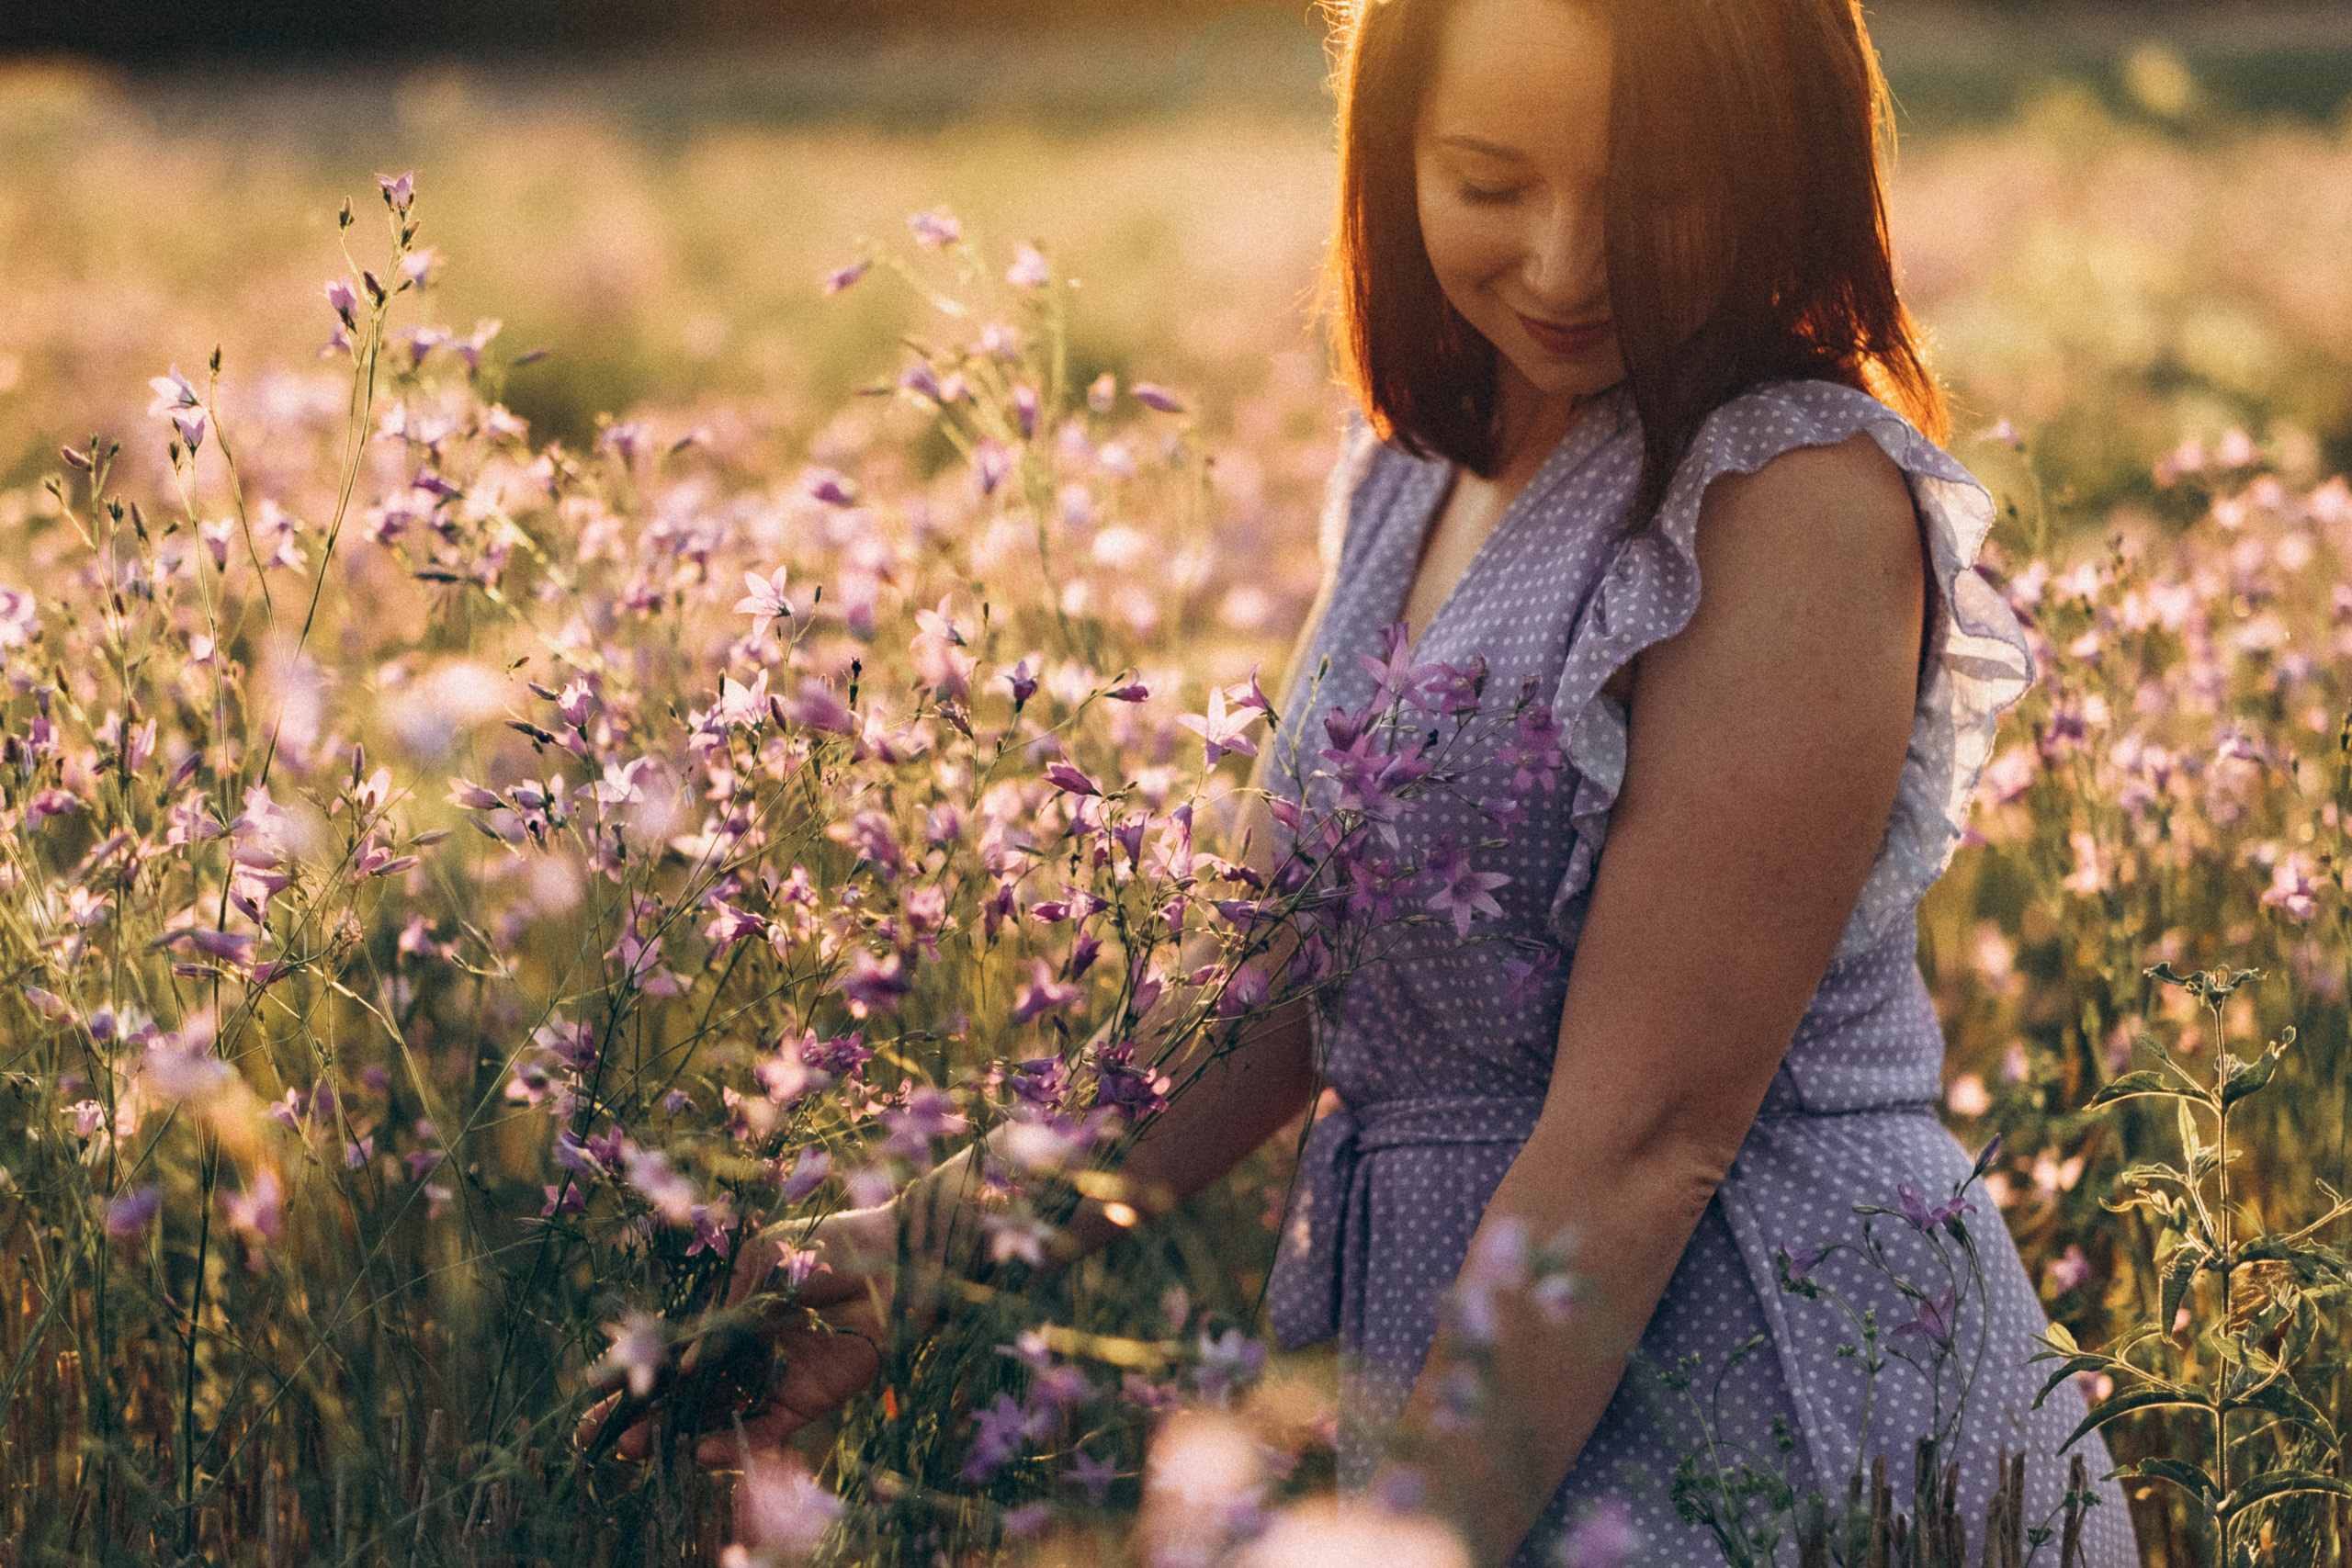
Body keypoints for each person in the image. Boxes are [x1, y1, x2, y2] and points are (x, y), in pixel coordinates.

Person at [589, 0, 2139, 1562]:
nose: (1565, 264)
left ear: (1779, 162)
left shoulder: (1791, 491)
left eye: (1654, 193)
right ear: (1393, 159)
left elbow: (1648, 1137)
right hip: (1482, 1357)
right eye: (1490, 182)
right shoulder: (1414, 472)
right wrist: (912, 1254)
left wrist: (1409, 1536)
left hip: (1755, 1377)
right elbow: (1265, 988)